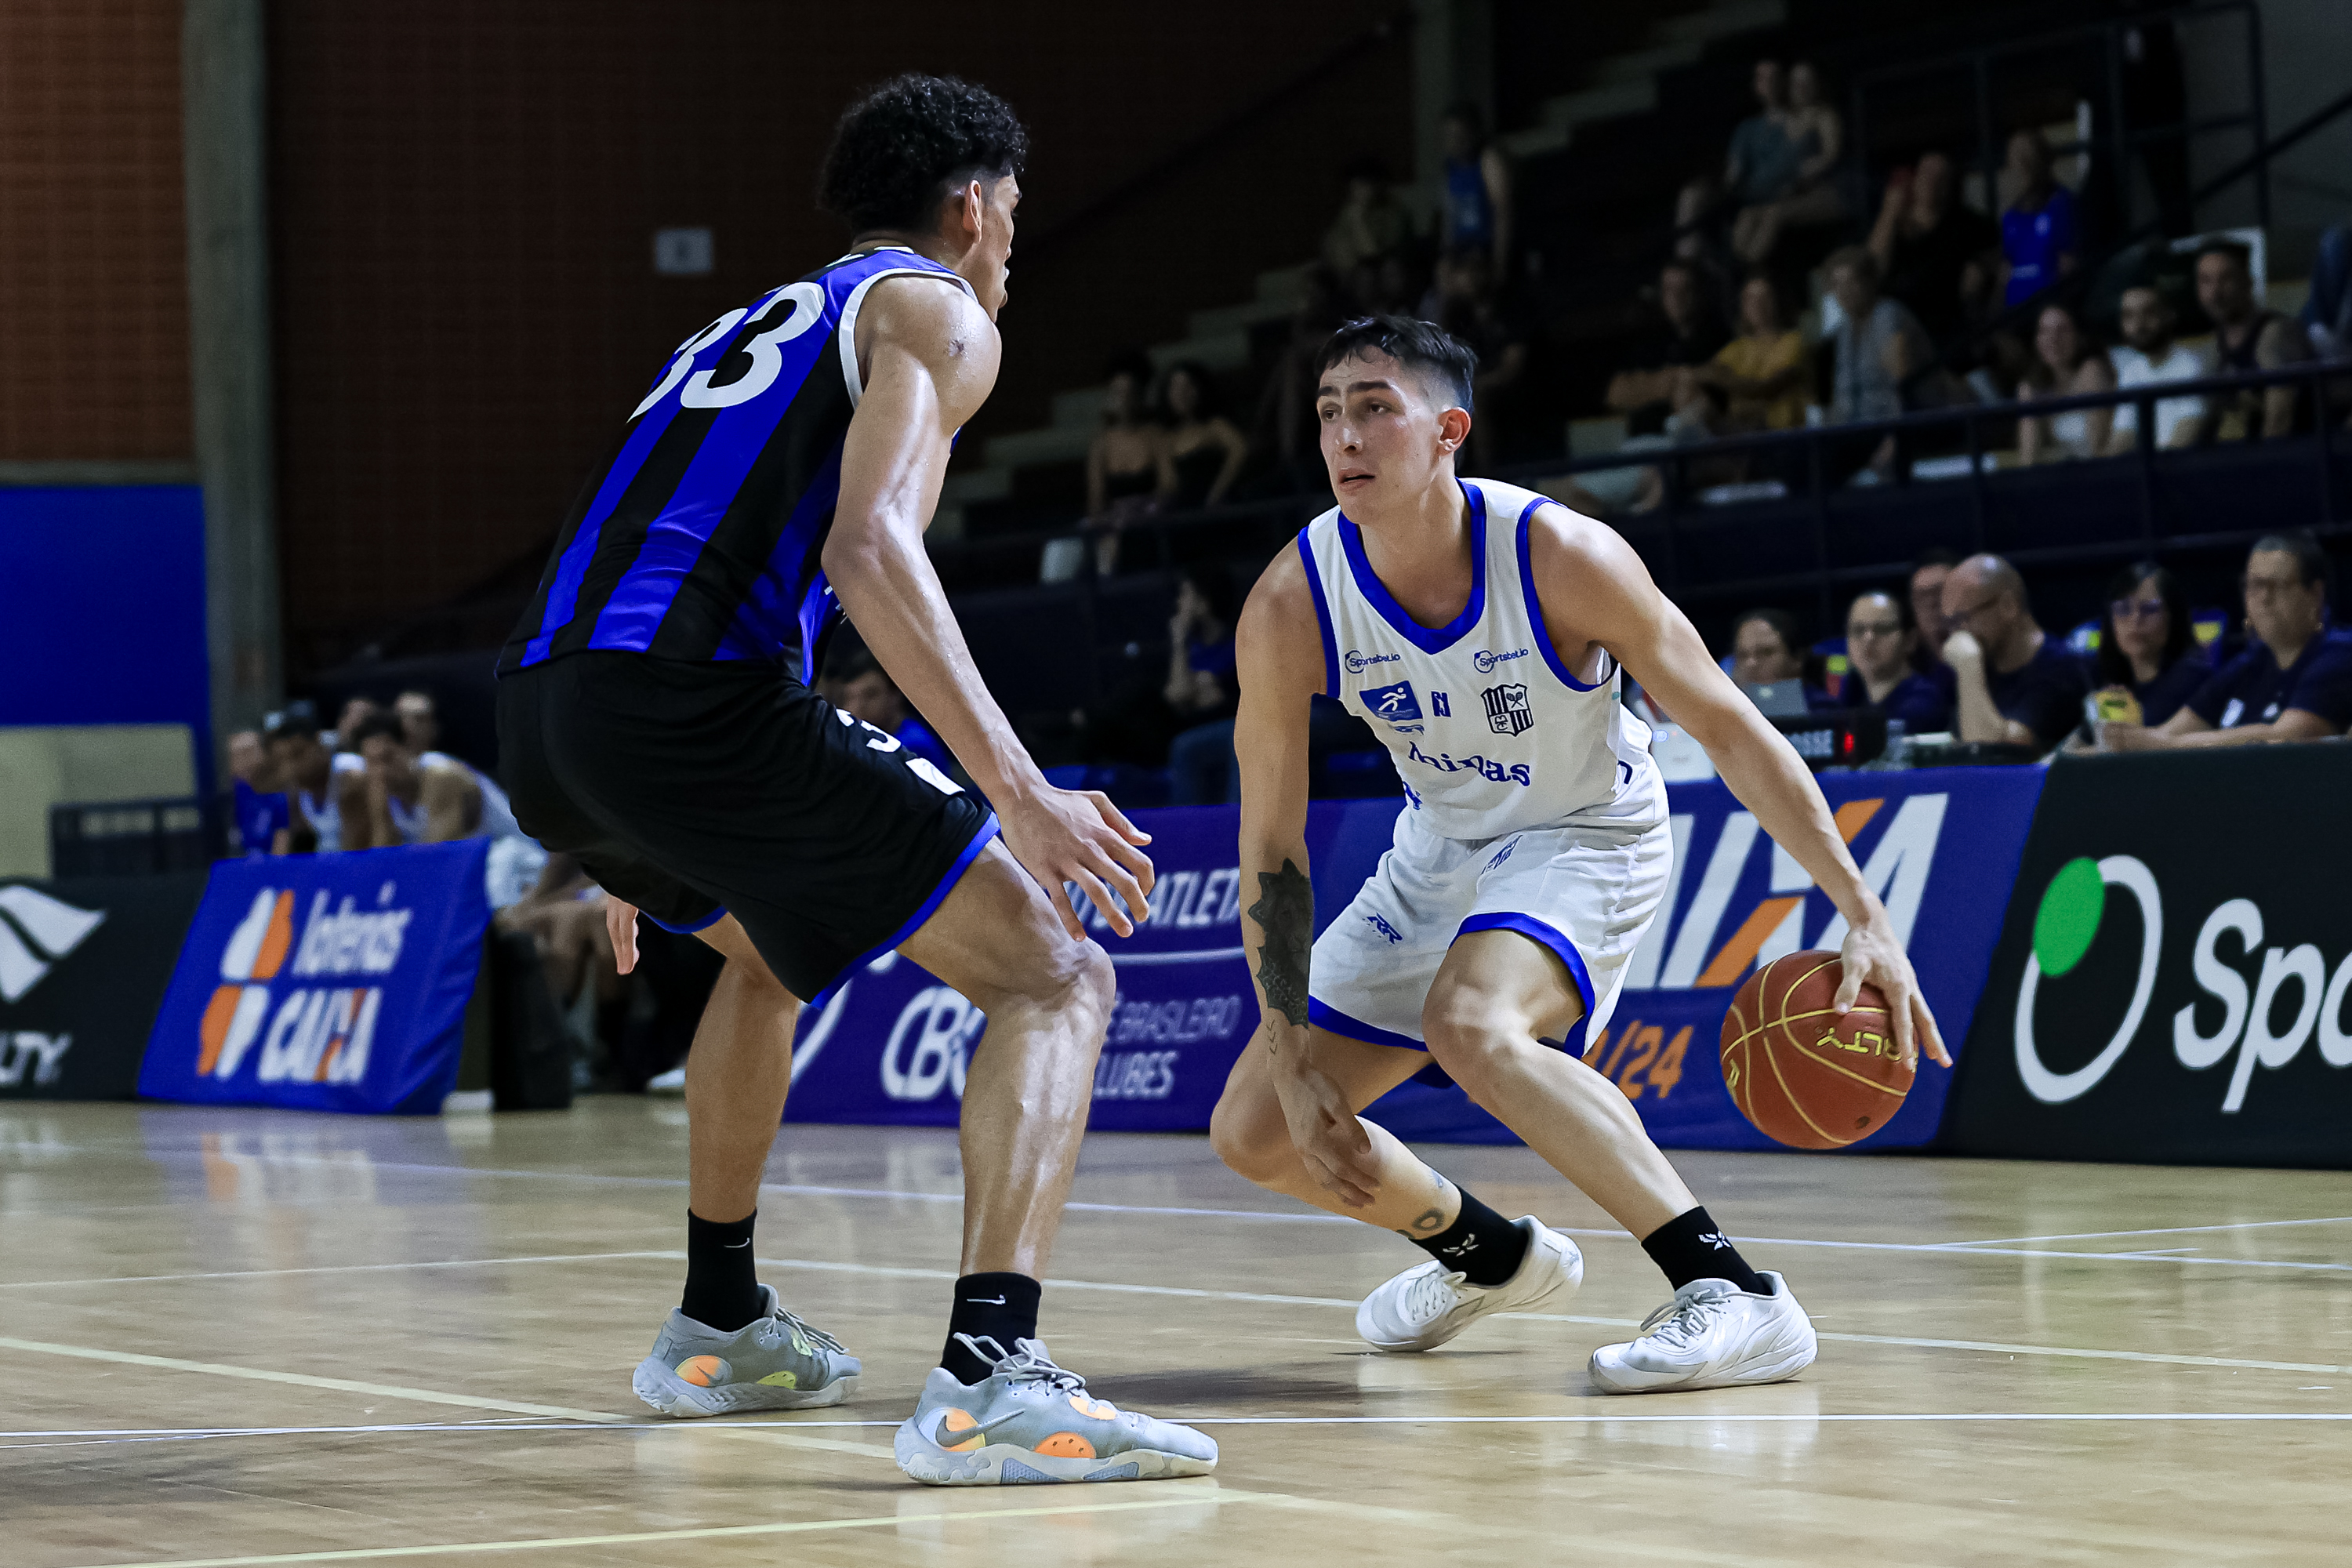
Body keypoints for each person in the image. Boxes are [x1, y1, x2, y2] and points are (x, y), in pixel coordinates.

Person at [492, 74, 1213, 1486]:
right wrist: (1020, 788)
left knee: (763, 958)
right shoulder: (937, 313)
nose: (1012, 240)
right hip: (685, 706)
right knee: (1057, 972)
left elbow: (662, 549)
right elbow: (870, 551)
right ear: (973, 204)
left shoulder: (744, 323)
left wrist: (620, 823)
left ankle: (719, 1324)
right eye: (1012, 212)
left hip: (547, 714)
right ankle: (992, 1381)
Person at [1208, 314, 1945, 1394]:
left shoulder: (1561, 557)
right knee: (1259, 1131)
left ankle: (1732, 1290)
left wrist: (1862, 912)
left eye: (1375, 408)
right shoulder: (1291, 603)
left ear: (1448, 429)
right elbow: (1271, 849)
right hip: (1440, 848)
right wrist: (1288, 1055)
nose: (1345, 438)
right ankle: (1489, 1256)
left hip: (1588, 832)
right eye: (1329, 415)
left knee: (1473, 1024)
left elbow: (1734, 731)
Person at [2100, 533, 2352, 750]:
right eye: (2254, 585)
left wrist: (2164, 745)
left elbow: (2286, 737)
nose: (2263, 598)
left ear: (2315, 595)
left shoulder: (2338, 655)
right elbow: (2169, 732)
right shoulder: (2248, 664)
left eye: (2278, 585)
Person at [346, 711, 548, 907]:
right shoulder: (381, 792)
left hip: (521, 862)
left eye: (387, 759)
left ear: (408, 749)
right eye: (372, 764)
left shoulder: (441, 776)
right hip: (474, 869)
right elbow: (383, 865)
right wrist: (381, 812)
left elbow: (436, 859)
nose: (381, 772)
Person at [1939, 554, 2091, 753]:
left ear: (2008, 606)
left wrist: (1968, 665)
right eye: (1949, 623)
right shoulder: (1984, 666)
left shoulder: (2062, 671)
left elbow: (1992, 754)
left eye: (1962, 618)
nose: (1956, 635)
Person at [1824, 247, 1945, 480]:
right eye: (1837, 285)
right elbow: (1838, 397)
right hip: (1856, 431)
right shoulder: (1842, 330)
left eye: (1851, 282)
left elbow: (1901, 387)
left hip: (1901, 427)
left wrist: (1892, 439)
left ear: (1870, 283)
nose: (1844, 292)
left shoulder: (1889, 317)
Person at [1867, 151, 1998, 361]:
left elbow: (1990, 264)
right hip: (1896, 325)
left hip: (1944, 329)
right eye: (1927, 173)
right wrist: (1890, 212)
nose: (1932, 182)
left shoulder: (1971, 226)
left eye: (1941, 177)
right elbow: (1872, 269)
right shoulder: (1893, 224)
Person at [1677, 60, 1796, 261]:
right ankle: (1688, 263)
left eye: (1774, 77)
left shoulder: (1799, 121)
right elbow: (1734, 172)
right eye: (1762, 78)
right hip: (1744, 192)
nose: (1769, 83)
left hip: (1779, 192)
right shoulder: (1747, 128)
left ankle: (1739, 268)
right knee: (1692, 195)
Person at [1730, 61, 1846, 267]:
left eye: (1806, 82)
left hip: (1825, 189)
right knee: (1749, 214)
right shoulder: (1787, 119)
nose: (1800, 87)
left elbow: (1831, 156)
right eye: (1796, 82)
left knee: (1773, 214)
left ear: (1817, 85)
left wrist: (1799, 177)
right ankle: (1740, 267)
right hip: (1790, 193)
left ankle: (1752, 269)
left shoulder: (1824, 114)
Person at [2196, 241, 2312, 441]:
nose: (2215, 293)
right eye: (2206, 281)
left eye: (2226, 279)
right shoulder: (2214, 347)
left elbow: (2279, 420)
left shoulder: (2274, 333)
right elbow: (2206, 418)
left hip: (2296, 455)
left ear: (2248, 282)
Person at [1604, 260, 1730, 435]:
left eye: (1685, 289)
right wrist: (1675, 379)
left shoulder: (1719, 339)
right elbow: (1615, 394)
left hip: (1701, 444)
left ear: (1699, 293)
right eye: (1670, 289)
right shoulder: (1651, 341)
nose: (1677, 298)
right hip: (1646, 442)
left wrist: (1653, 384)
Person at [2085, 561, 2209, 728]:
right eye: (2123, 609)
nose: (2135, 620)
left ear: (2173, 616)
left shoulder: (2194, 679)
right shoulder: (2103, 683)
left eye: (2150, 609)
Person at [1085, 348, 1174, 574]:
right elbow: (1096, 499)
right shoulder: (1102, 443)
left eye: (1129, 393)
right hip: (1111, 522)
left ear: (1140, 395)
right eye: (1117, 392)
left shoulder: (1154, 435)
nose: (1123, 400)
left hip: (1148, 518)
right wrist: (1107, 522)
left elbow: (1169, 485)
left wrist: (1141, 512)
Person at [1163, 566, 1243, 805]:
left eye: (1185, 595)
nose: (1179, 603)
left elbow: (1186, 693)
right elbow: (1176, 695)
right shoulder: (1193, 648)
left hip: (1236, 722)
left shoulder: (1235, 643)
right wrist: (1179, 642)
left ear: (1204, 602)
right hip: (1196, 725)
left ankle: (1236, 822)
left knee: (1189, 746)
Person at [2105, 285, 2211, 452]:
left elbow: (2187, 431)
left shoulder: (2192, 367)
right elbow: (2123, 435)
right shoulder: (2131, 371)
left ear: (2169, 316)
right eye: (2129, 316)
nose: (2139, 324)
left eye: (2148, 313)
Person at [1698, 273, 1809, 432]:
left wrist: (1724, 380)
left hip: (1784, 437)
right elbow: (1706, 376)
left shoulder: (1794, 342)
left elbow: (1768, 388)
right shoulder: (1734, 350)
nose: (1758, 304)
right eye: (1750, 299)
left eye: (1765, 297)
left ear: (1777, 301)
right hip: (1742, 436)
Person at [2016, 303, 2116, 463]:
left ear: (2079, 335)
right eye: (2045, 331)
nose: (2053, 339)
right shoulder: (2032, 386)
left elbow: (2100, 449)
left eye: (2062, 330)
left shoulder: (2091, 371)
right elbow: (2028, 460)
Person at [1841, 590, 1951, 733]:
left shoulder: (1924, 702)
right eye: (1858, 630)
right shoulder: (1851, 696)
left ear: (1910, 640)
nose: (1868, 639)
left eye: (1882, 629)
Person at [264, 702, 364, 853]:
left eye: (297, 755)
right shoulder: (297, 793)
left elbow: (355, 852)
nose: (291, 769)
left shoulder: (350, 774)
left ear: (318, 744)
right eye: (283, 761)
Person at [834, 650, 955, 775]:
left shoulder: (914, 746)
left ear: (896, 695)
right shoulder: (863, 742)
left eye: (870, 695)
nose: (856, 708)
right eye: (849, 697)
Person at [1998, 130, 2077, 310]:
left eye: (2027, 156)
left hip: (2047, 312)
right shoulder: (2010, 216)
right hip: (2015, 313)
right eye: (2015, 156)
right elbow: (2006, 268)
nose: (2021, 163)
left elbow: (2068, 264)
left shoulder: (2061, 205)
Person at [1159, 361, 1249, 510]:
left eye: (1188, 386)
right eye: (1175, 388)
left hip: (1221, 507)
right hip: (1186, 513)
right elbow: (1168, 485)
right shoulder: (1167, 439)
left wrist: (1217, 493)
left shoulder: (1216, 426)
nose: (1182, 394)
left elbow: (1240, 451)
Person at [1437, 103, 1512, 281]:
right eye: (1449, 135)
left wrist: (1500, 263)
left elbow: (1503, 213)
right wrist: (1446, 254)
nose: (1455, 141)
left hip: (1484, 248)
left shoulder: (1488, 161)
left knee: (1469, 280)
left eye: (1460, 135)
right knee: (1443, 275)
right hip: (1460, 249)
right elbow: (1449, 216)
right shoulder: (1450, 169)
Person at [1323, 154, 1412, 278]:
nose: (1357, 191)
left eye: (1363, 185)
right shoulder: (1349, 209)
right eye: (1354, 186)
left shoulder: (1391, 211)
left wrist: (1358, 220)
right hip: (1344, 273)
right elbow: (1334, 242)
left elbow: (1374, 255)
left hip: (1377, 273)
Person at [226, 729, 291, 857]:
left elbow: (282, 837)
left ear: (262, 753)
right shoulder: (230, 798)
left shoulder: (279, 794)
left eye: (247, 752)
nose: (242, 760)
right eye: (235, 755)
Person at [1727, 608, 1819, 698]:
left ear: (1797, 659)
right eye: (1742, 655)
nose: (1751, 664)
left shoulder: (1825, 708)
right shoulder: (1724, 709)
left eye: (1766, 653)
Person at [395, 690, 441, 755]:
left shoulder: (443, 764)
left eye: (420, 719)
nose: (409, 725)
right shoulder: (379, 763)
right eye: (402, 718)